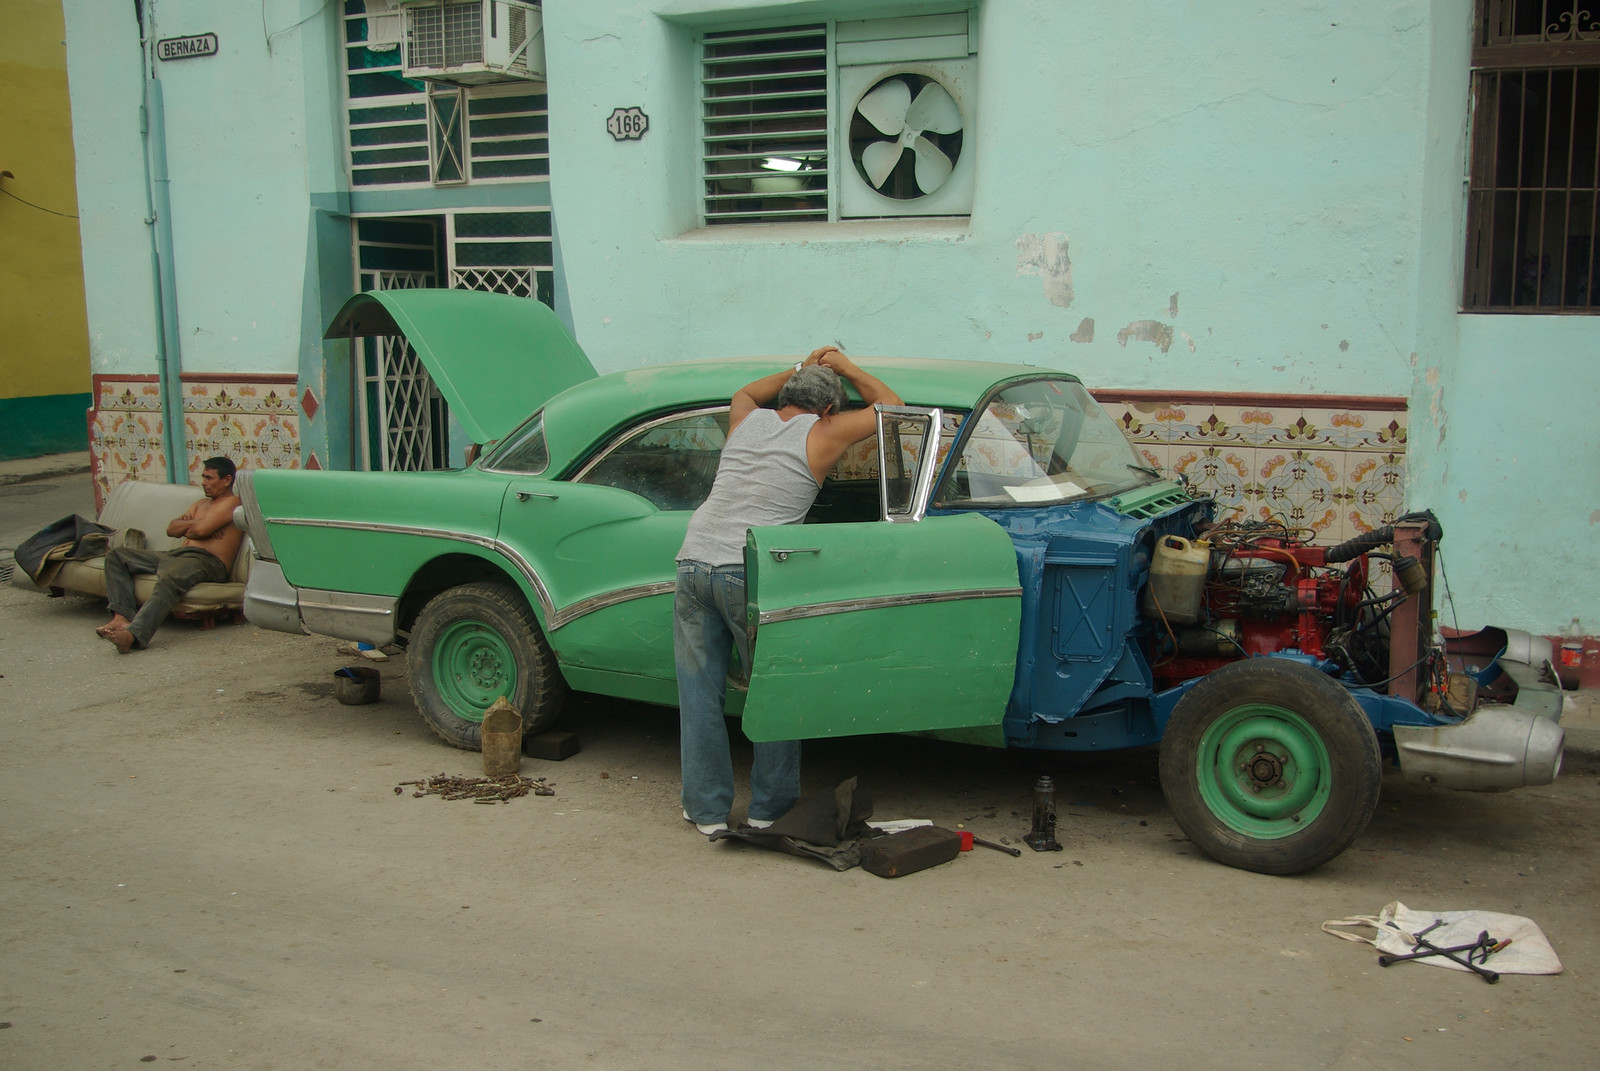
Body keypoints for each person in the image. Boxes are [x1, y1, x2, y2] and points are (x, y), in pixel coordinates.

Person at [675, 347, 901, 835]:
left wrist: (798, 370)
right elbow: (894, 407)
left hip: (693, 561)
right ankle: (769, 809)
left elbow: (746, 391)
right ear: (827, 410)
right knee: (775, 692)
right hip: (748, 569)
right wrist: (844, 368)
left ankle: (706, 812)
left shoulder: (746, 420)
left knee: (699, 694)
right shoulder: (823, 430)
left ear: (785, 398)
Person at [97, 457, 244, 653]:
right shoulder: (201, 504)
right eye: (203, 477)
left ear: (226, 480)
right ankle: (121, 618)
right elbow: (172, 529)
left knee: (171, 576)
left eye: (209, 478)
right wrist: (198, 524)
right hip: (178, 554)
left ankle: (133, 636)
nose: (203, 482)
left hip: (207, 561)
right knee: (117, 556)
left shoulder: (233, 502)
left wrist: (196, 526)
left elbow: (200, 532)